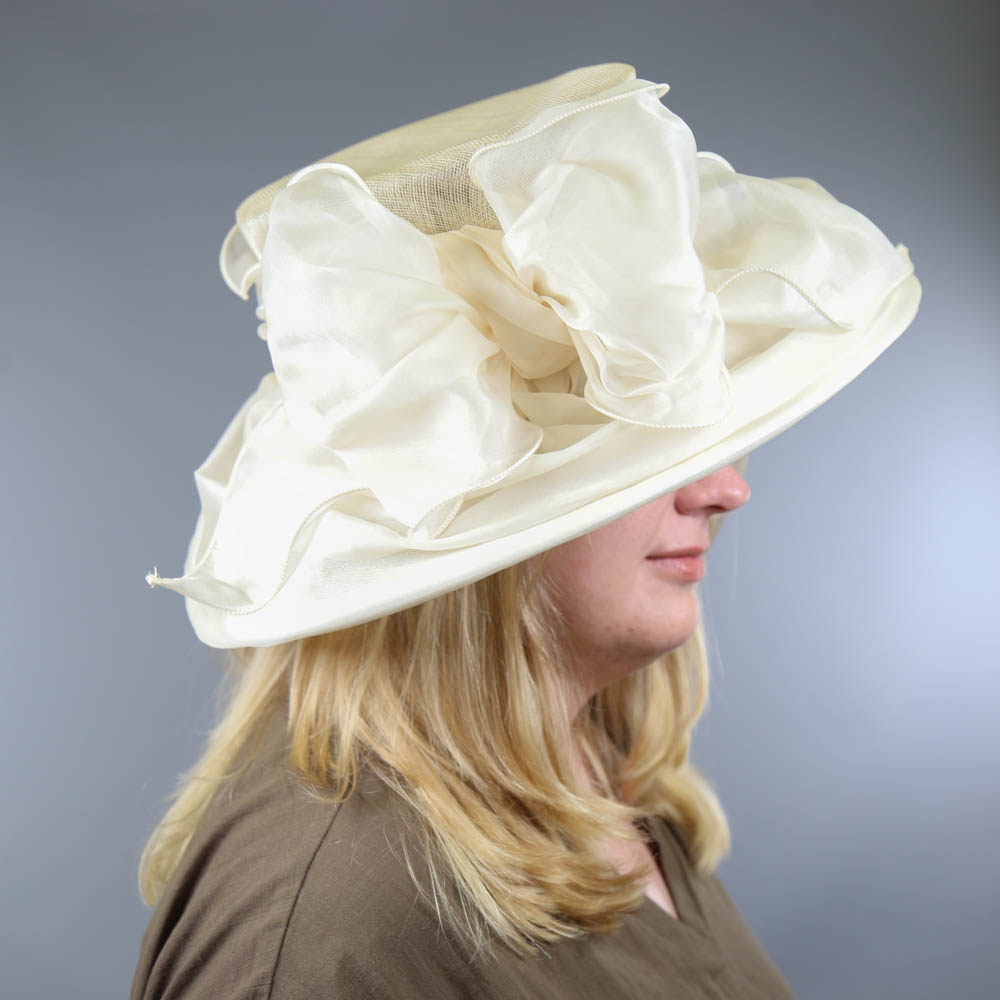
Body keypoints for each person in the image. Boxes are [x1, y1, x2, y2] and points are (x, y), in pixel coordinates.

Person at [132, 62, 920, 998]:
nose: (726, 490)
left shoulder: (597, 791)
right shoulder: (335, 920)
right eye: (638, 460)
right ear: (470, 501)